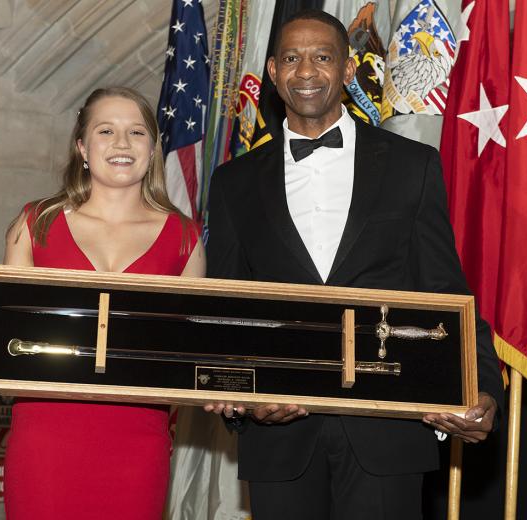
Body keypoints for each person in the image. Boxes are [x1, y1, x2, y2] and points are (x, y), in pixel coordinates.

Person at [204, 10, 504, 519]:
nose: (306, 72)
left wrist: (484, 389)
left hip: (388, 435)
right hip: (279, 442)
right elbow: (228, 309)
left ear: (347, 70)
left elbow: (446, 295)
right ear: (272, 72)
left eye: (322, 57)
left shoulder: (413, 166)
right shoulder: (233, 182)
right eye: (292, 59)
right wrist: (243, 400)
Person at [0, 86, 205, 519]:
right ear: (83, 147)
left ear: (153, 148)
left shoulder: (186, 239)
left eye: (137, 132)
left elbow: (190, 357)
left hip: (139, 441)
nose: (122, 143)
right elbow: (8, 354)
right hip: (45, 436)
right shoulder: (36, 224)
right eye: (106, 130)